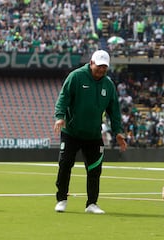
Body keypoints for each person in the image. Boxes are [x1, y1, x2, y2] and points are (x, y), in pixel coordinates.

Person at [53, 50, 127, 214]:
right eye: (99, 66)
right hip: (71, 131)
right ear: (91, 63)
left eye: (104, 67)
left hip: (93, 135)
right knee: (65, 165)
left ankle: (92, 203)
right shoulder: (76, 77)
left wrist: (118, 132)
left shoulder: (108, 84)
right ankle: (61, 199)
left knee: (95, 169)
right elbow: (63, 97)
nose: (101, 70)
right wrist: (59, 117)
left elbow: (114, 110)